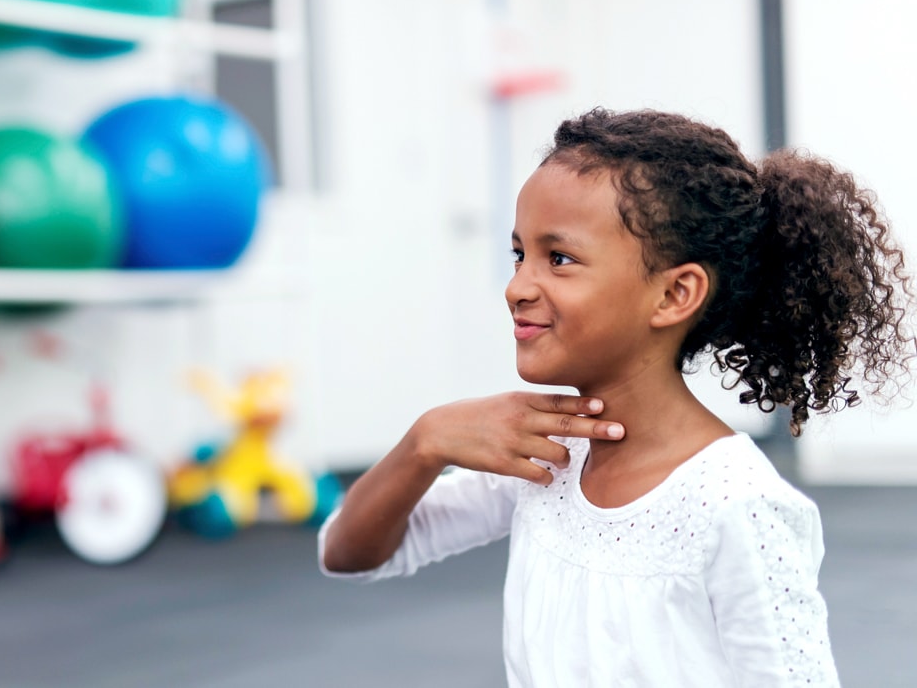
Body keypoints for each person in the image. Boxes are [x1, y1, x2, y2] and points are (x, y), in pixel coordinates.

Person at [320, 107, 914, 686]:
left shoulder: (737, 505)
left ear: (674, 294)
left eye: (559, 258)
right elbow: (348, 551)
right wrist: (426, 441)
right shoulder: (546, 452)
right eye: (518, 254)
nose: (517, 287)